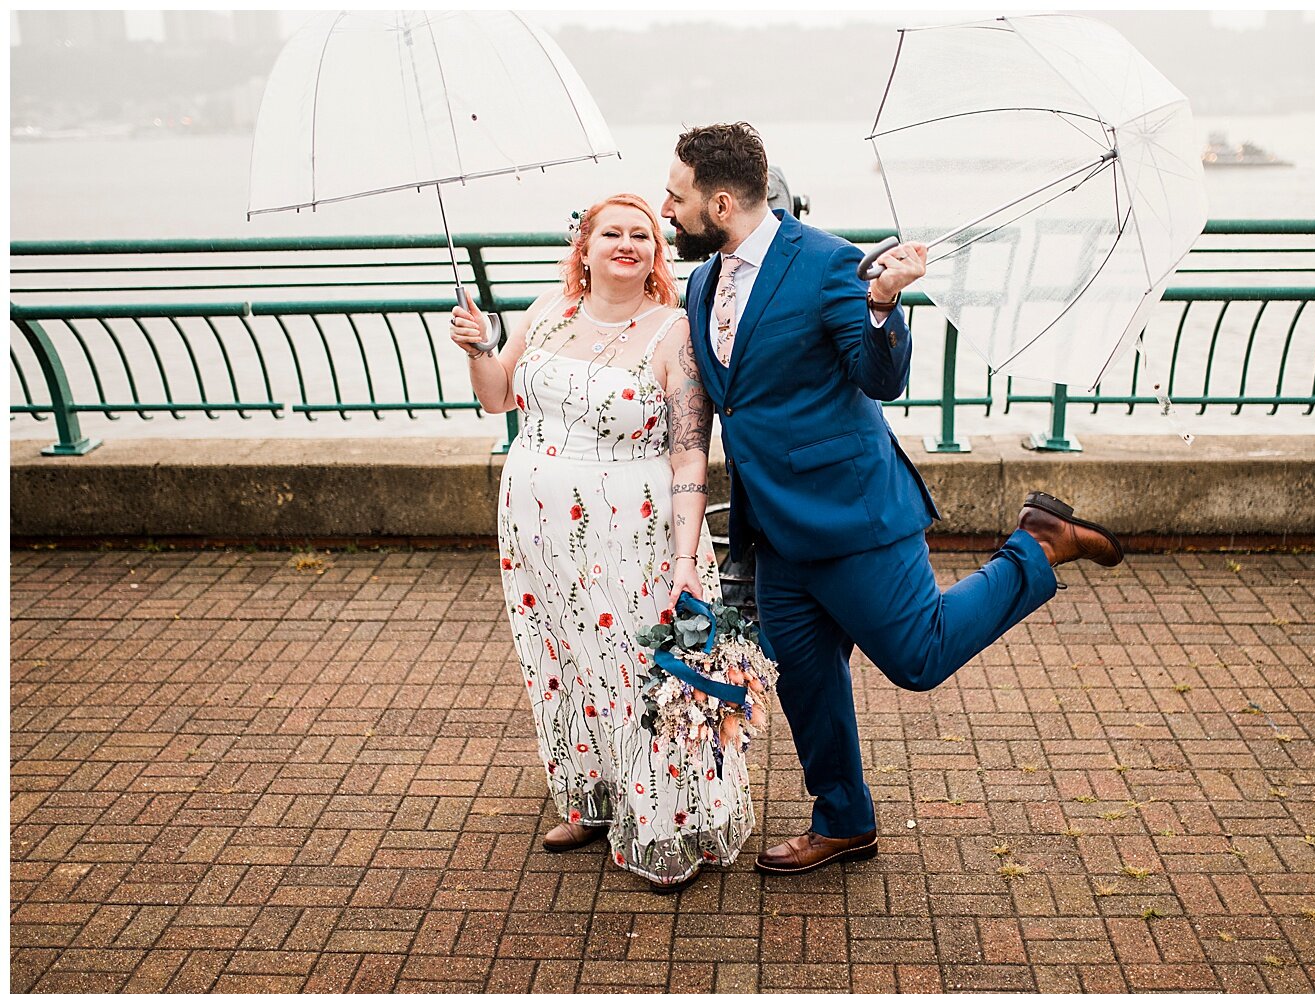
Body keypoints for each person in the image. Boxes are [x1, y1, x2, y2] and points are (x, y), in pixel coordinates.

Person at [661, 123, 1124, 876]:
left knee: (920, 655)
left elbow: (879, 377)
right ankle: (843, 820)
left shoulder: (828, 263)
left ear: (718, 202)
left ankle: (1035, 545)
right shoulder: (705, 280)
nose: (666, 209)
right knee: (805, 679)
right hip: (775, 530)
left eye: (675, 197)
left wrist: (880, 303)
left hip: (853, 516)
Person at [448, 193, 751, 894]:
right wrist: (480, 350)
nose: (626, 243)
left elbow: (687, 457)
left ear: (655, 254)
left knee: (637, 672)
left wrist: (684, 562)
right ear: (582, 248)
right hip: (535, 526)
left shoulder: (675, 332)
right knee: (561, 661)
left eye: (641, 234)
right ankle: (590, 798)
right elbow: (497, 398)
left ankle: (667, 819)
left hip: (633, 532)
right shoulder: (545, 313)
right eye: (609, 232)